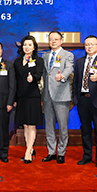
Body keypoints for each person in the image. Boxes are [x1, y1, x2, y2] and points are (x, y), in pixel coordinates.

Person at [72, 37, 97, 167]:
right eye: (87, 44)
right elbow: (76, 81)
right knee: (85, 130)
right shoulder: (80, 62)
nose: (89, 47)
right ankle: (87, 156)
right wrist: (76, 98)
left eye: (92, 44)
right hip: (82, 100)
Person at [41, 30, 74, 164]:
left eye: (56, 39)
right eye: (51, 39)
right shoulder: (45, 56)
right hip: (47, 95)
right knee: (49, 125)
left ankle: (61, 152)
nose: (53, 41)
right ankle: (51, 152)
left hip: (61, 94)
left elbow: (69, 68)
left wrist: (63, 76)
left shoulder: (68, 55)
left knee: (62, 125)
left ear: (61, 41)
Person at [13, 33, 44, 162]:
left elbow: (39, 74)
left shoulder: (39, 60)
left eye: (29, 45)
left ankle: (28, 151)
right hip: (21, 97)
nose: (27, 47)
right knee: (25, 125)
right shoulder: (17, 61)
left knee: (31, 125)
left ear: (34, 47)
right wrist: (14, 98)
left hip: (33, 96)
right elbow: (15, 80)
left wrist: (33, 78)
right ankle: (30, 149)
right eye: (25, 44)